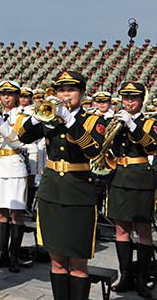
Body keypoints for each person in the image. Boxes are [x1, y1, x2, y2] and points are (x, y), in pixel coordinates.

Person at [19, 71, 106, 299]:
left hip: (78, 193)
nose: (65, 94)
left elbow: (94, 150)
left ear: (82, 93)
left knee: (77, 264)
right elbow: (23, 136)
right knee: (56, 262)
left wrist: (70, 120)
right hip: (51, 192)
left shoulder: (93, 120)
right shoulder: (51, 118)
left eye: (71, 90)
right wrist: (36, 118)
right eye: (61, 90)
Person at [106, 82, 157, 297]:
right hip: (119, 176)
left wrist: (132, 126)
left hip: (141, 178)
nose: (129, 102)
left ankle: (143, 277)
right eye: (126, 98)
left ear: (142, 99)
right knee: (121, 229)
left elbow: (152, 145)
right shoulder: (116, 120)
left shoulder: (150, 122)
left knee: (143, 230)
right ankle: (125, 274)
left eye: (133, 98)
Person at [0, 80, 28, 273]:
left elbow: (19, 141)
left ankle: (14, 257)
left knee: (16, 213)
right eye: (3, 94)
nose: (6, 98)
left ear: (17, 96)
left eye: (10, 94)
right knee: (0, 213)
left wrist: (1, 125)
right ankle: (2, 254)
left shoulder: (25, 115)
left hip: (14, 166)